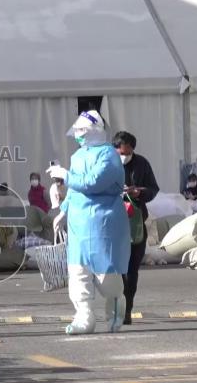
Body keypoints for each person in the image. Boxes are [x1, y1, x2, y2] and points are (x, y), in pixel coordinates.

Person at [47, 112, 130, 335]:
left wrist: (66, 176)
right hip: (78, 222)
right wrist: (63, 211)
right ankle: (84, 316)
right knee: (78, 271)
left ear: (95, 131)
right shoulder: (77, 156)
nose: (78, 136)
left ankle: (115, 305)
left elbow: (93, 182)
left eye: (82, 132)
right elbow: (74, 190)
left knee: (106, 275)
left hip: (103, 222)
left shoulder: (109, 155)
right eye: (77, 132)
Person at [112, 130, 160, 325]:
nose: (125, 156)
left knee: (132, 269)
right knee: (117, 269)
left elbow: (153, 189)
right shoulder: (107, 163)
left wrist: (139, 192)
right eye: (121, 153)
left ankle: (127, 309)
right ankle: (116, 306)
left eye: (128, 153)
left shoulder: (142, 163)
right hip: (113, 223)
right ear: (115, 150)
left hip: (136, 223)